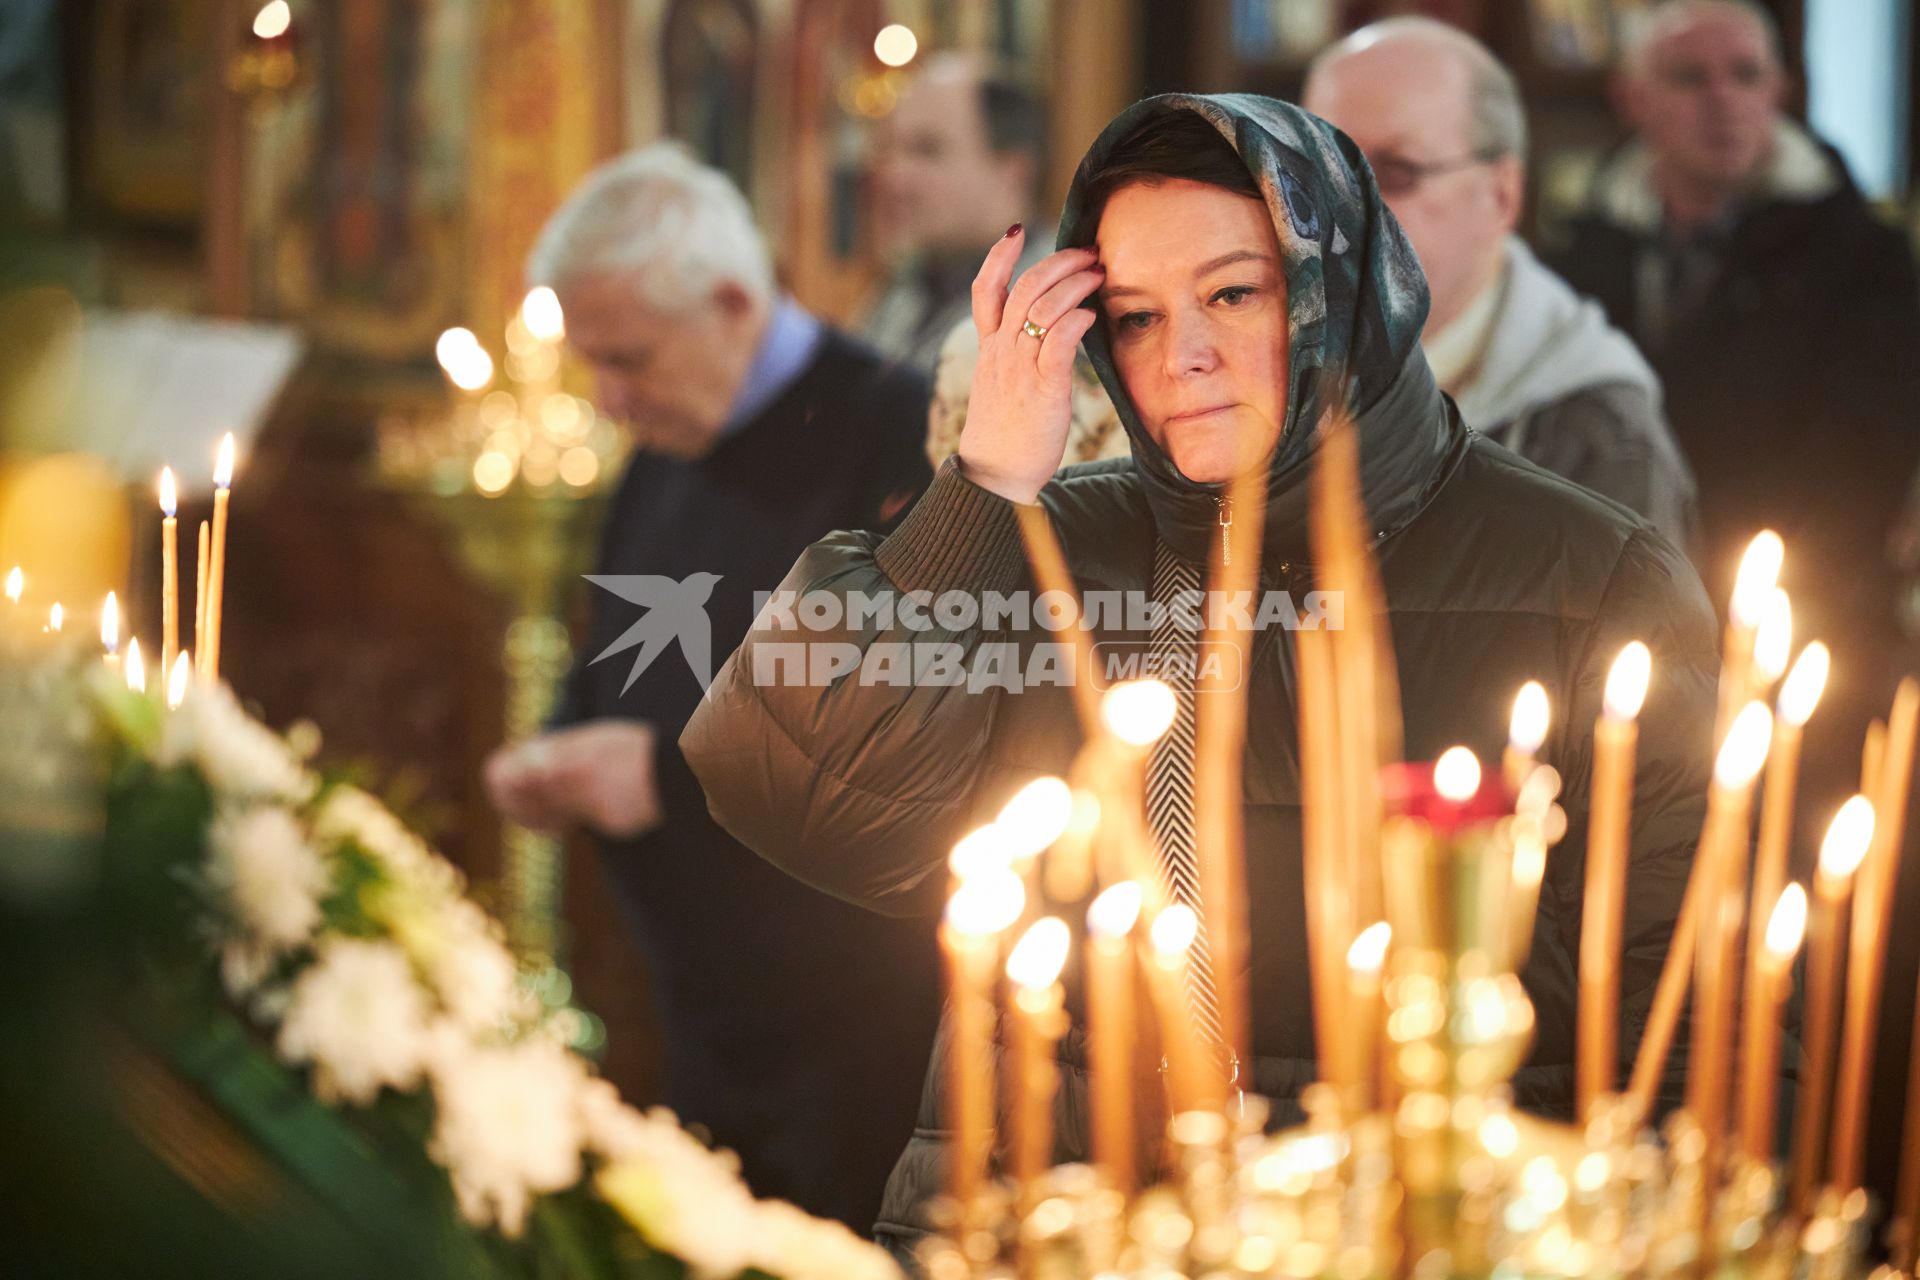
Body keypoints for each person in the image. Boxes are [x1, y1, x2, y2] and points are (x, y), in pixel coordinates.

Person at [683, 95, 1718, 1258]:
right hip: (1060, 1233)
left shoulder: (1589, 570)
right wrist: (985, 481)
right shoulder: (1052, 544)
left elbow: (1687, 1007)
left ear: (1343, 290)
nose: (1181, 355)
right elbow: (802, 800)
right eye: (1131, 315)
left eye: (1236, 291)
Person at [482, 143, 940, 1232]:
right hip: (707, 1029)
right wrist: (557, 745)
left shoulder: (904, 438)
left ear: (734, 301)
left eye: (628, 359)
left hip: (858, 1042)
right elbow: (619, 659)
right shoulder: (669, 436)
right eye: (593, 365)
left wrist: (662, 784)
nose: (609, 399)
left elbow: (905, 748)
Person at [1548, 0, 1920, 675]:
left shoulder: (1864, 256)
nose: (1722, 100)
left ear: (1781, 91)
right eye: (1691, 77)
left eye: (1746, 76)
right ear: (1633, 98)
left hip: (1805, 623)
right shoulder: (1580, 253)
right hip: (1622, 618)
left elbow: (1866, 462)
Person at [1303, 16, 1695, 549]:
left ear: (1502, 194)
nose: (1346, 210)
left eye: (1398, 172)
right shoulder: (1245, 369)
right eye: (1320, 169)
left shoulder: (1598, 442)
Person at [860, 53, 1047, 373]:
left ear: (1014, 172)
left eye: (926, 150)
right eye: (890, 148)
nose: (893, 175)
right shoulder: (903, 289)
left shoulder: (1055, 307)